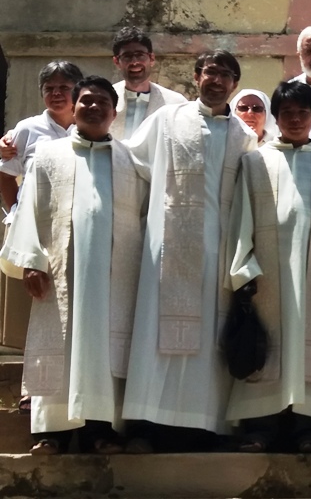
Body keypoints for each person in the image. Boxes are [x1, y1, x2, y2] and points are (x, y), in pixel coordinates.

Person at [0, 76, 147, 454]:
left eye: (102, 102)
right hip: (60, 274)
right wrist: (32, 261)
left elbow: (148, 218)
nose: (94, 107)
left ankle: (103, 431)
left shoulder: (131, 161)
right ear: (75, 107)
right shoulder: (50, 155)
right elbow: (29, 208)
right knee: (59, 350)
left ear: (114, 113)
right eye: (86, 101)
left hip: (117, 278)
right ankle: (52, 433)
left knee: (105, 352)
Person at [121, 50, 258, 451]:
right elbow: (129, 165)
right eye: (210, 72)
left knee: (208, 343)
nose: (216, 81)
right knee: (156, 335)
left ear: (234, 83)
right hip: (165, 250)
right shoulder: (165, 120)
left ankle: (204, 427)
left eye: (226, 75)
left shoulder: (244, 136)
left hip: (217, 254)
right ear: (197, 76)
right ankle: (146, 426)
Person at [225, 81, 311, 453]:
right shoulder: (255, 160)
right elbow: (240, 217)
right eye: (287, 114)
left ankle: (308, 428)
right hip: (268, 276)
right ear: (277, 119)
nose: (295, 120)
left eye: (302, 113)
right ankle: (261, 428)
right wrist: (243, 270)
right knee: (269, 349)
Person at [0, 61, 84, 214]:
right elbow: (6, 175)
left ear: (78, 91)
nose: (56, 93)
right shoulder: (27, 129)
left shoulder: (90, 129)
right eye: (49, 88)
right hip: (33, 219)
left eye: (64, 87)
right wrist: (15, 212)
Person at [110, 26, 188, 140]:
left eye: (140, 55)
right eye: (127, 56)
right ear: (116, 62)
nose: (134, 62)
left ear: (151, 58)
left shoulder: (175, 104)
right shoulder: (105, 101)